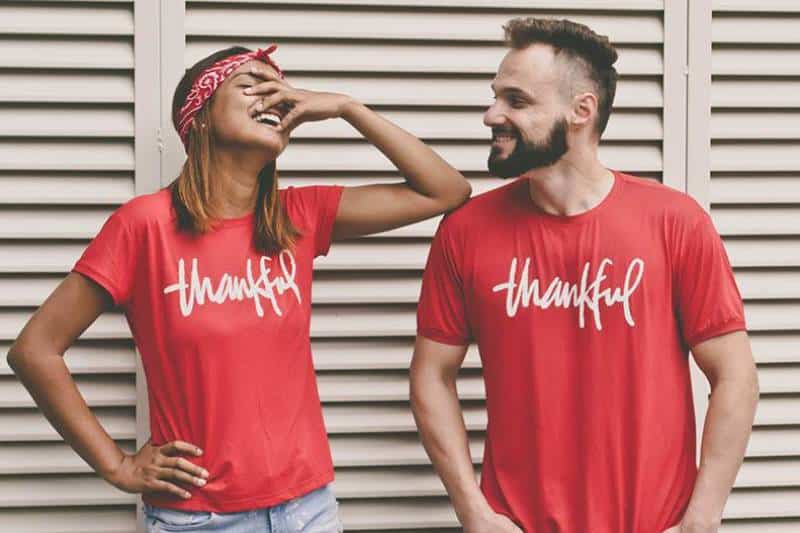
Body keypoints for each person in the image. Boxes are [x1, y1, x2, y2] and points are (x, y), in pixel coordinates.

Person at [7, 44, 471, 532]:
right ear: (200, 116)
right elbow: (35, 350)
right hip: (201, 519)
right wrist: (117, 465)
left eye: (279, 91)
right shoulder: (143, 227)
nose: (272, 99)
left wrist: (346, 107)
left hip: (309, 510)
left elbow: (445, 189)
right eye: (250, 85)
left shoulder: (298, 217)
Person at [410, 17, 759, 533]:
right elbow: (430, 375)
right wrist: (474, 512)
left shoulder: (675, 222)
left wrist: (701, 520)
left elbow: (736, 376)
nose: (491, 114)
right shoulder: (465, 232)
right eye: (495, 97)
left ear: (581, 111)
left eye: (516, 100)